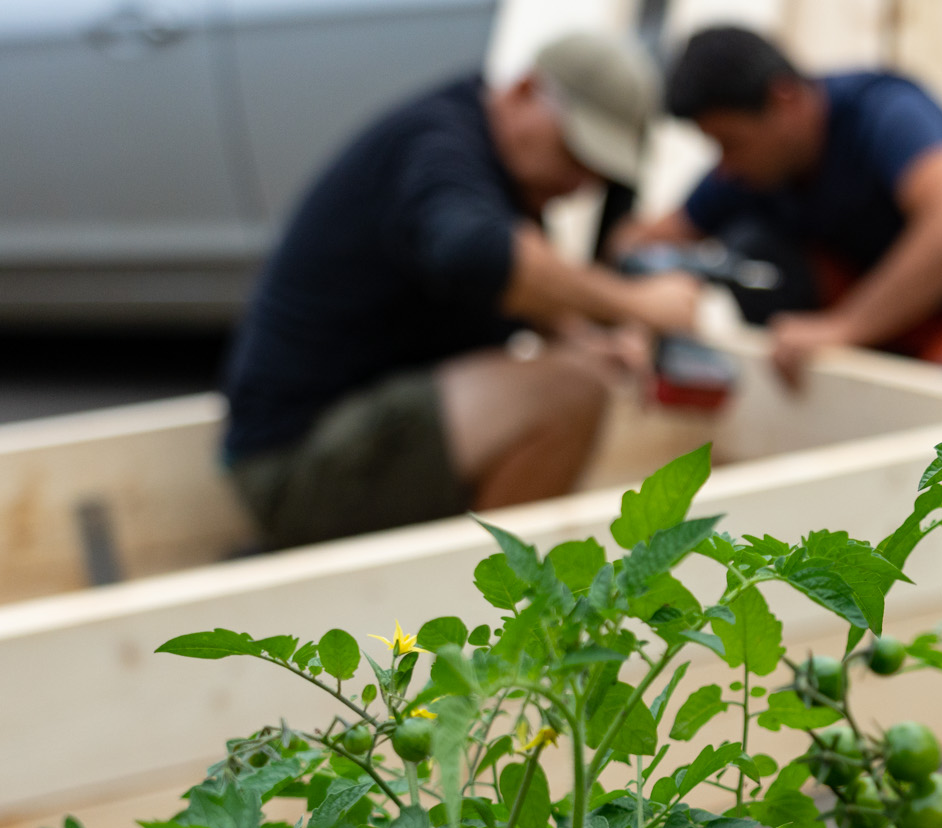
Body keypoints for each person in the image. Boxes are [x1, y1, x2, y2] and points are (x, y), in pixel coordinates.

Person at [220, 33, 701, 550]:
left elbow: (500, 287)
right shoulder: (439, 147)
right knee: (571, 392)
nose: (578, 182)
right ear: (522, 92)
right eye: (574, 152)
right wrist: (640, 304)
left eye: (596, 173)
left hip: (344, 437)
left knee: (579, 372)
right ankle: (486, 612)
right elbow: (482, 256)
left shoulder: (492, 169)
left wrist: (582, 336)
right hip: (295, 466)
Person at [622, 26, 942, 390]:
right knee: (751, 252)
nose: (725, 167)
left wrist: (844, 327)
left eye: (731, 143)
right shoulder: (751, 166)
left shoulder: (885, 112)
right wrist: (645, 301)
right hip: (901, 328)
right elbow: (641, 243)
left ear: (784, 99)